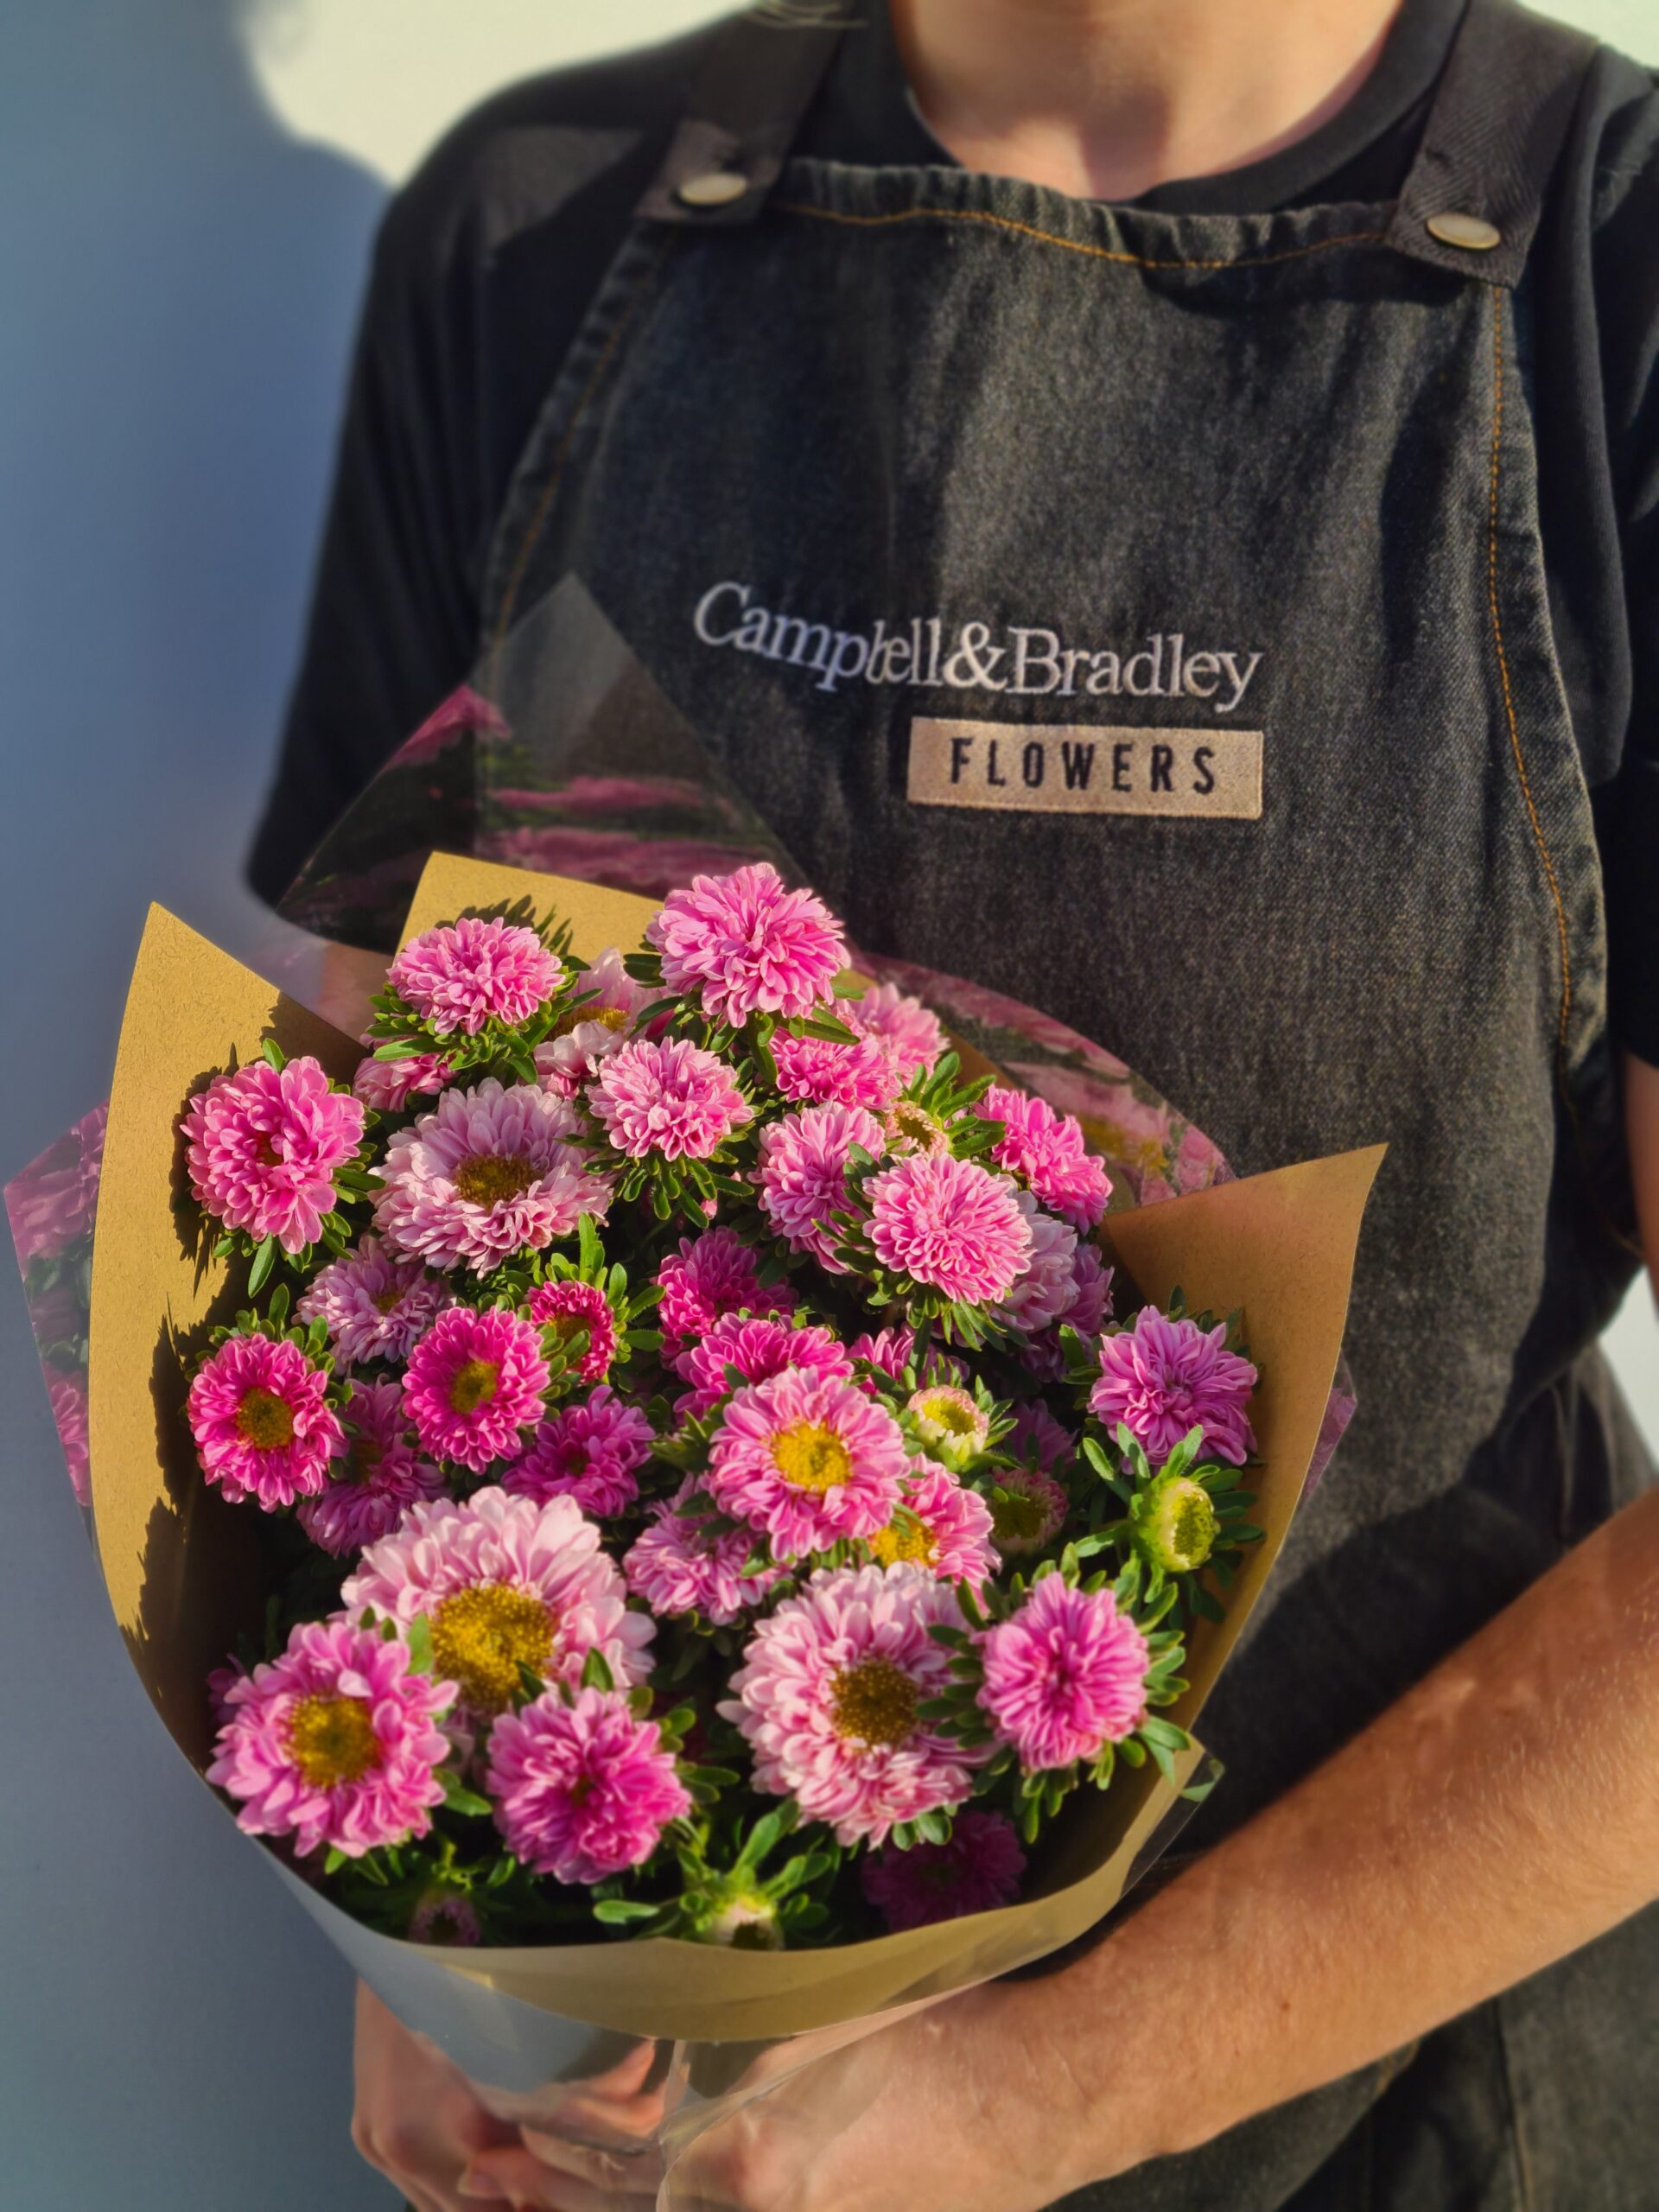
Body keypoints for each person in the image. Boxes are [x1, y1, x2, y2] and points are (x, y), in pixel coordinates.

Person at [251, 1, 1659, 2204]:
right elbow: (354, 1222)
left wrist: (1039, 2090)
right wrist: (428, 1916)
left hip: (1395, 2130)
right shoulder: (539, 235)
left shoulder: (1614, 272)